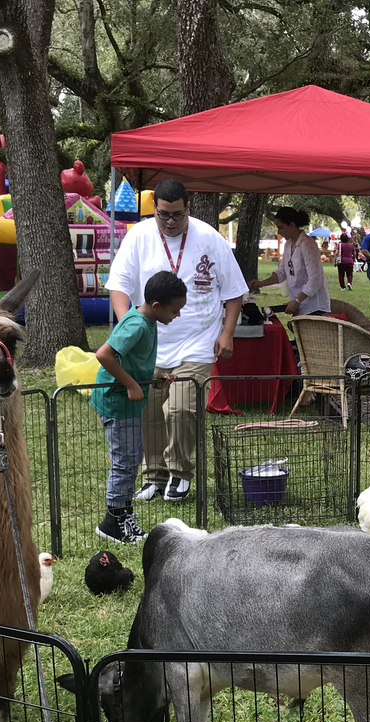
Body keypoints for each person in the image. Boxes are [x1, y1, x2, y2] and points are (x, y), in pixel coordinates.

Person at [109, 177, 248, 504]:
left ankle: (180, 473)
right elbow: (119, 285)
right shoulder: (138, 237)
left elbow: (234, 292)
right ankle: (154, 476)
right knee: (150, 411)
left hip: (197, 341)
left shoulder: (209, 239)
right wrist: (127, 325)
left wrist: (226, 332)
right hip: (150, 344)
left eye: (178, 215)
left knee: (181, 408)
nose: (171, 222)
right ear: (153, 209)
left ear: (188, 208)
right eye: (163, 215)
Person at [92, 271, 189, 543]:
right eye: (175, 310)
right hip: (116, 401)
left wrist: (151, 380)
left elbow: (132, 361)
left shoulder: (149, 320)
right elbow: (104, 355)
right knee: (125, 462)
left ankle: (124, 515)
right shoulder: (137, 324)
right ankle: (113, 521)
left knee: (132, 458)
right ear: (157, 306)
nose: (177, 315)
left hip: (128, 402)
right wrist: (132, 386)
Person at [249, 207, 330, 315]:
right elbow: (281, 272)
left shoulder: (308, 244)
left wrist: (297, 301)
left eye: (281, 228)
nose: (279, 232)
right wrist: (261, 283)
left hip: (314, 307)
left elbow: (315, 280)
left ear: (292, 225)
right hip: (299, 305)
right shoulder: (288, 245)